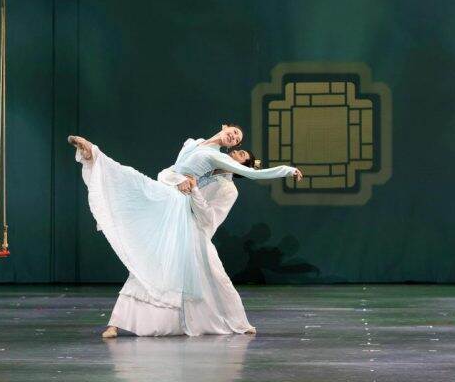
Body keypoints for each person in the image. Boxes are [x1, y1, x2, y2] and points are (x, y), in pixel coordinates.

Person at [69, 125, 302, 337]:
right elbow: (166, 174)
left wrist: (286, 170)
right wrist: (178, 181)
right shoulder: (197, 146)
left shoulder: (228, 189)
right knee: (137, 189)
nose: (235, 143)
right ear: (225, 128)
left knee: (212, 277)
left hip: (193, 230)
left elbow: (209, 219)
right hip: (170, 207)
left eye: (241, 152)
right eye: (234, 136)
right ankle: (94, 157)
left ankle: (234, 321)